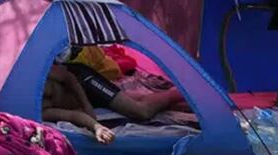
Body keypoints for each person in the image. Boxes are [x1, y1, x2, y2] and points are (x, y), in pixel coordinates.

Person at [43, 59, 184, 144]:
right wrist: (96, 127)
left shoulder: (38, 77)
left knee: (140, 111)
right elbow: (72, 116)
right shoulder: (39, 110)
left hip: (83, 80)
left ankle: (179, 93)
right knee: (136, 101)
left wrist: (86, 106)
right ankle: (189, 105)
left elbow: (69, 78)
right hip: (87, 98)